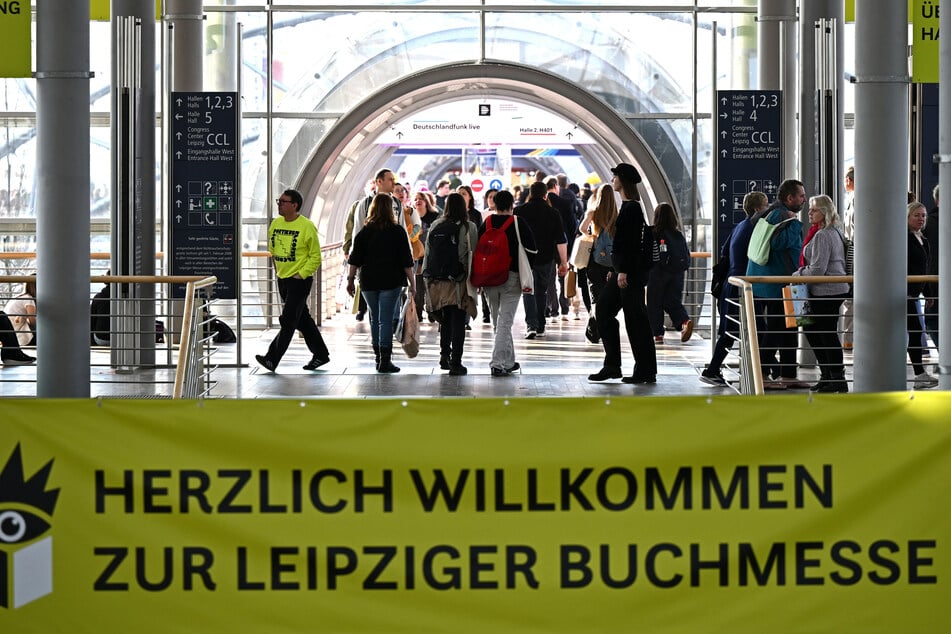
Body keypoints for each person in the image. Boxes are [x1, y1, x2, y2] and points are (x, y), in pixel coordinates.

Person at [588, 162, 657, 384]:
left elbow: (631, 245)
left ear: (623, 180)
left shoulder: (632, 209)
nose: (612, 180)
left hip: (629, 274)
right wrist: (616, 269)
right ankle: (613, 366)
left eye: (615, 176)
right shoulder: (628, 207)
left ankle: (644, 370)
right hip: (623, 272)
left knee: (636, 320)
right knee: (604, 310)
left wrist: (623, 270)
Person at [255, 189, 330, 373]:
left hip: (299, 281)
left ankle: (271, 359)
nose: (279, 205)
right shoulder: (276, 224)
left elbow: (315, 256)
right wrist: (278, 271)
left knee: (288, 319)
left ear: (294, 205)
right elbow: (273, 250)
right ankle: (321, 354)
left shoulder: (306, 226)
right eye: (278, 201)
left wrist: (301, 274)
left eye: (283, 202)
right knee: (302, 319)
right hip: (283, 278)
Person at [700, 191, 766, 387]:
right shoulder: (754, 229)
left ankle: (764, 369)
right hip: (741, 286)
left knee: (732, 330)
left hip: (730, 284)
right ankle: (714, 370)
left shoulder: (739, 226)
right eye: (766, 205)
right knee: (751, 330)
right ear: (758, 209)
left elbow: (724, 251)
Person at [346, 193, 417, 373]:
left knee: (374, 318)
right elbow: (406, 261)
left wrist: (350, 280)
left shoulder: (364, 232)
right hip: (391, 281)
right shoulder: (397, 232)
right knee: (385, 320)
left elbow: (354, 259)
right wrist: (413, 282)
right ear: (390, 210)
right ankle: (385, 360)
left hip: (369, 281)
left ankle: (378, 356)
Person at [747, 179, 806, 389]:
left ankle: (788, 374)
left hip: (783, 281)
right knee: (776, 328)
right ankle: (762, 374)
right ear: (789, 198)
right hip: (776, 282)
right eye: (801, 196)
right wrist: (795, 223)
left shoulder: (773, 213)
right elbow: (778, 243)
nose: (804, 200)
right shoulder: (781, 215)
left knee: (789, 328)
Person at [792, 195, 850, 393]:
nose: (809, 212)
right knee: (816, 332)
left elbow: (818, 269)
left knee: (825, 335)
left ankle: (836, 378)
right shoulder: (833, 231)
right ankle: (828, 376)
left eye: (814, 209)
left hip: (826, 291)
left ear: (825, 212)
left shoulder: (823, 235)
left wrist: (797, 274)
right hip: (827, 290)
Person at [479, 190, 537, 377]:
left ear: (494, 204)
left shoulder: (487, 222)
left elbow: (477, 249)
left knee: (499, 323)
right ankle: (497, 364)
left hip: (489, 278)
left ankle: (509, 361)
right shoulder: (518, 222)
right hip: (511, 277)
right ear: (512, 205)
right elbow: (532, 250)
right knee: (504, 322)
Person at [422, 193, 478, 375]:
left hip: (438, 281)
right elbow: (473, 254)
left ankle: (444, 356)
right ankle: (456, 362)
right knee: (458, 320)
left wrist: (427, 279)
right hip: (459, 281)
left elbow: (428, 253)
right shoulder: (469, 227)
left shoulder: (436, 225)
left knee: (445, 320)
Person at [515, 181, 567, 339]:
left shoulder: (519, 211)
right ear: (545, 195)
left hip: (525, 259)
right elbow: (561, 240)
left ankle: (531, 325)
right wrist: (564, 262)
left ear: (530, 194)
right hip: (546, 258)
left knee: (528, 290)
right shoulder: (553, 213)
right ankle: (540, 326)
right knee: (541, 291)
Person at [647, 202, 693, 344]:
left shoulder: (653, 232)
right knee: (672, 301)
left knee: (654, 303)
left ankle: (658, 334)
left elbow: (648, 254)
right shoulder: (678, 234)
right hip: (677, 273)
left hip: (658, 273)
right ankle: (684, 322)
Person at [907, 202, 939, 388]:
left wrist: (928, 294)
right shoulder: (904, 239)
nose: (921, 219)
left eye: (923, 215)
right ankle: (919, 374)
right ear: (907, 217)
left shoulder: (923, 239)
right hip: (904, 293)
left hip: (914, 293)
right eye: (916, 215)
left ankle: (920, 374)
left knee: (916, 331)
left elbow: (924, 270)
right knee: (915, 330)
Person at [580, 183, 618, 304]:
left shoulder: (593, 212)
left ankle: (597, 314)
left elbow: (582, 228)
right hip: (611, 259)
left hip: (595, 258)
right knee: (608, 293)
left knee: (596, 292)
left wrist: (592, 235)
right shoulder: (616, 215)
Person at [840, 167, 855, 351]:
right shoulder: (853, 199)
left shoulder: (856, 199)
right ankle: (848, 338)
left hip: (853, 251)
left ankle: (849, 339)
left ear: (849, 180)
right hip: (852, 250)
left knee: (851, 297)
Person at [923, 184, 939, 348]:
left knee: (933, 318)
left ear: (936, 200)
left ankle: (945, 353)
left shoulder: (928, 224)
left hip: (933, 278)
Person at [3, 280, 36, 347]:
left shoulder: (19, 296)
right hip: (17, 334)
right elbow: (32, 321)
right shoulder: (29, 299)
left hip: (8, 332)